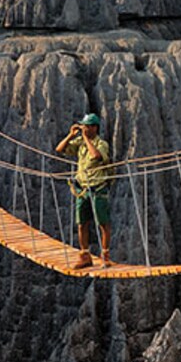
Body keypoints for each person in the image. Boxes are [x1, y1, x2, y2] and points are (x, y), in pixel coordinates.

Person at [56, 113, 113, 269]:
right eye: (83, 126)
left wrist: (86, 138)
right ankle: (85, 255)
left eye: (87, 126)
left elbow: (96, 156)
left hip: (98, 188)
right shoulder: (80, 143)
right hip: (82, 189)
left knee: (103, 223)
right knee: (82, 223)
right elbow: (59, 149)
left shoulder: (101, 144)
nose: (84, 129)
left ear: (94, 128)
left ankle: (105, 256)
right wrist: (71, 135)